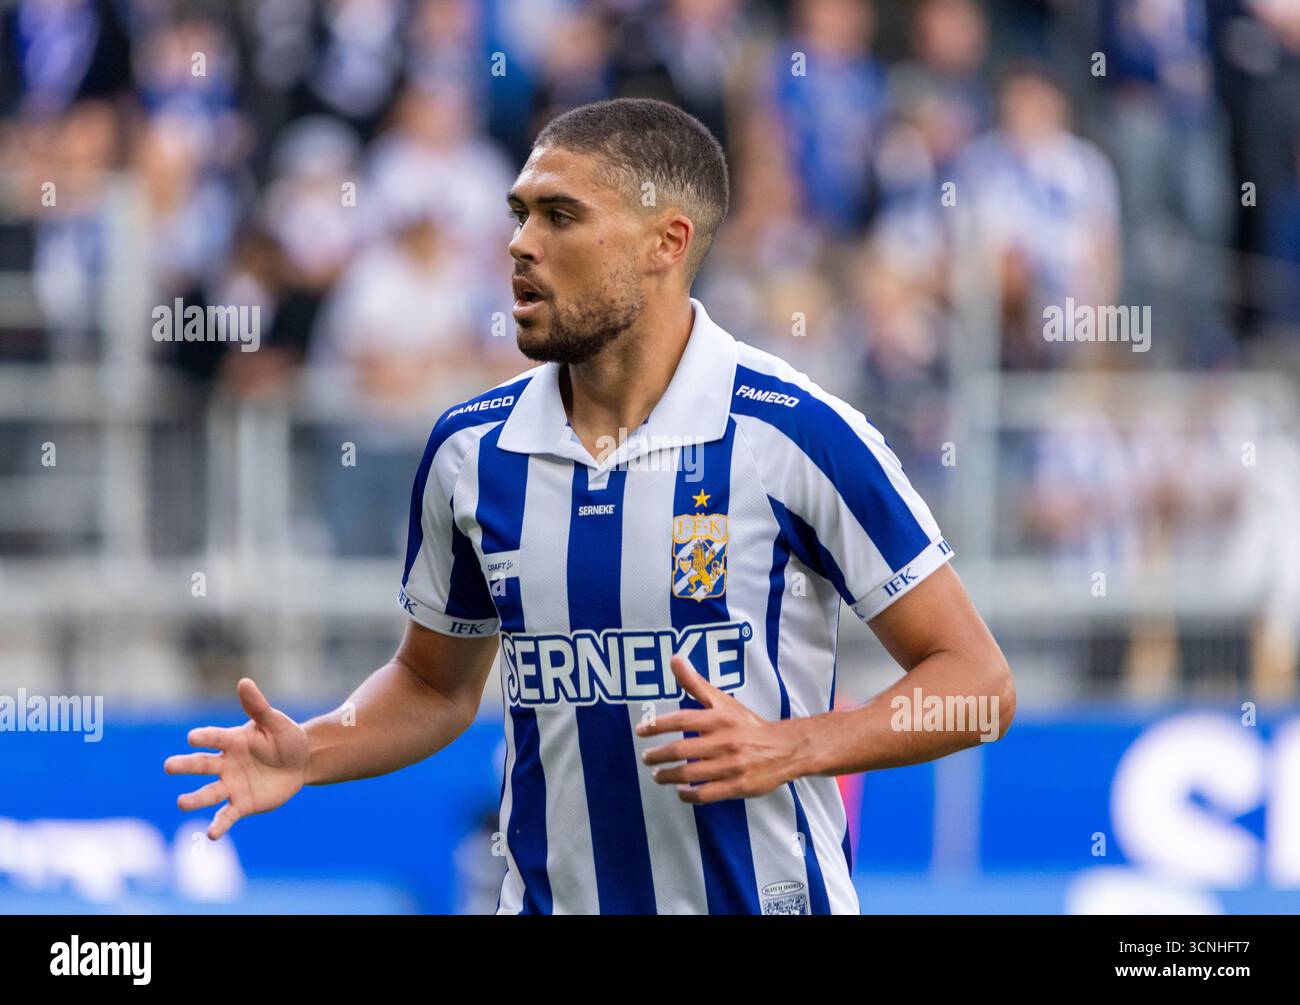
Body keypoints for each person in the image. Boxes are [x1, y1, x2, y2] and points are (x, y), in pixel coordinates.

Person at [165, 98, 1014, 915]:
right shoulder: (473, 450)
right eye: (518, 213)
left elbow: (978, 684)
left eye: (559, 216)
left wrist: (795, 745)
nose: (519, 244)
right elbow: (433, 682)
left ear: (665, 243)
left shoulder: (795, 435)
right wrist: (312, 748)